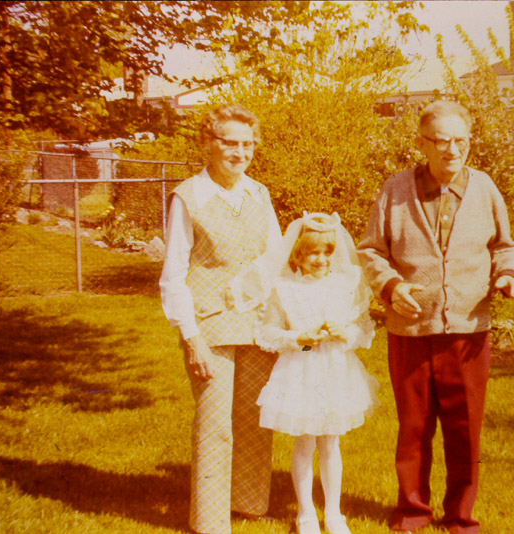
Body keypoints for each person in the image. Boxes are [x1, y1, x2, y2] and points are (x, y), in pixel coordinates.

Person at [356, 100, 514, 534]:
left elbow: (504, 247)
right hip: (410, 330)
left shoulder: (484, 189)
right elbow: (371, 251)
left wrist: (509, 276)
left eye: (461, 141)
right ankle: (413, 510)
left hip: (468, 332)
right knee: (414, 427)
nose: (453, 150)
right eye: (442, 141)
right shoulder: (396, 190)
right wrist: (391, 287)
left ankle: (460, 516)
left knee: (465, 429)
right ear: (422, 143)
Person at [159, 104, 282, 534]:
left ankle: (249, 504)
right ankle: (210, 522)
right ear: (208, 144)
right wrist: (191, 338)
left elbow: (275, 260)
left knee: (254, 419)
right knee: (215, 421)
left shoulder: (259, 194)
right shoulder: (188, 197)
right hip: (209, 324)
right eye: (230, 143)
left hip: (257, 323)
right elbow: (173, 274)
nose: (240, 152)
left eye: (248, 144)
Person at [251, 212, 379, 534]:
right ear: (298, 255)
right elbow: (267, 332)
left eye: (327, 252)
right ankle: (306, 513)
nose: (321, 259)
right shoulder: (285, 288)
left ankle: (334, 513)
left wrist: (344, 333)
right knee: (305, 443)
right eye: (313, 253)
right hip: (302, 369)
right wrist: (299, 337)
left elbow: (363, 329)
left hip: (335, 370)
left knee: (331, 443)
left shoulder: (345, 286)